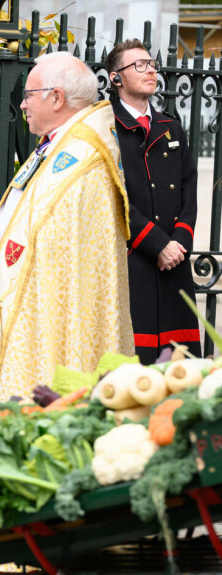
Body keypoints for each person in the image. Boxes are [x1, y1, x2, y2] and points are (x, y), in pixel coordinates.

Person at [0, 51, 134, 403]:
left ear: (57, 98)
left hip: (53, 323)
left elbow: (54, 250)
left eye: (28, 95)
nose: (22, 105)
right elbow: (18, 216)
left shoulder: (85, 158)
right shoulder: (60, 145)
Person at [106, 39, 201, 363]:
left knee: (180, 369)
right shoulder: (106, 129)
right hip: (134, 259)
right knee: (136, 368)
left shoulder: (171, 126)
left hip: (175, 261)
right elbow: (110, 196)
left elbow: (189, 188)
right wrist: (156, 244)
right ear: (115, 78)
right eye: (139, 65)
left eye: (152, 64)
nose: (150, 70)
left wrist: (178, 243)